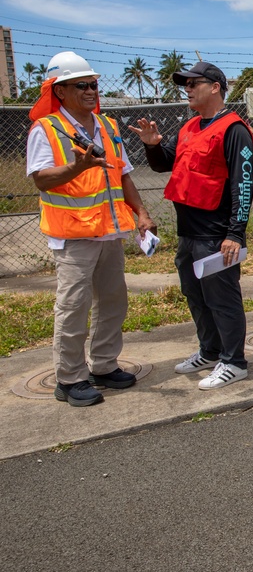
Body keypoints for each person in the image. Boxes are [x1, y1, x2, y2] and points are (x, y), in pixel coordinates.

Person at [26, 51, 155, 407]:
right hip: (73, 236)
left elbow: (123, 175)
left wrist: (141, 212)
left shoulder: (108, 126)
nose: (90, 90)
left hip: (110, 232)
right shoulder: (47, 129)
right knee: (73, 307)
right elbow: (41, 179)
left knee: (113, 302)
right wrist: (77, 166)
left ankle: (103, 366)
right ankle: (68, 379)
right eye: (81, 85)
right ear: (60, 91)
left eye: (93, 84)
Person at [131, 61, 253, 390]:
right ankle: (211, 350)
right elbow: (163, 164)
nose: (187, 88)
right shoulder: (190, 127)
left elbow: (243, 185)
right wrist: (152, 144)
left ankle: (234, 361)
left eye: (193, 83)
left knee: (222, 298)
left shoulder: (233, 129)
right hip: (188, 233)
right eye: (184, 84)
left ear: (215, 86)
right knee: (195, 295)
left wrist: (235, 234)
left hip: (215, 235)